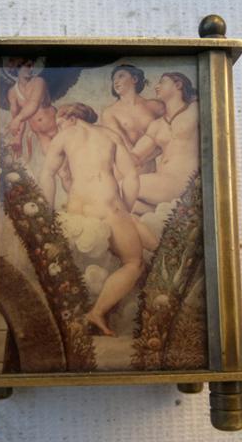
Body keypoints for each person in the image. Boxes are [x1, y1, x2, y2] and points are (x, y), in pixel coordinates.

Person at [40, 103, 152, 337]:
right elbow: (131, 177)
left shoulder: (64, 137)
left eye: (60, 122)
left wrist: (47, 215)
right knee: (134, 263)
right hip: (108, 208)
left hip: (78, 210)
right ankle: (97, 312)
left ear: (70, 117)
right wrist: (124, 210)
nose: (59, 128)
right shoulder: (110, 135)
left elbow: (47, 174)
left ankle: (81, 315)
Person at [130, 72, 200, 214]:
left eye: (162, 82)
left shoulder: (195, 110)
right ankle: (160, 213)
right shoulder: (156, 125)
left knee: (124, 188)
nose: (157, 86)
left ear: (178, 84)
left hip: (185, 182)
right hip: (163, 183)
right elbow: (135, 156)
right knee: (121, 195)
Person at [5, 58, 72, 189]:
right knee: (62, 172)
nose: (30, 69)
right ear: (17, 68)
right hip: (42, 136)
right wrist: (17, 138)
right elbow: (17, 119)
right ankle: (73, 199)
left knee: (72, 167)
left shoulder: (38, 82)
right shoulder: (12, 92)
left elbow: (33, 105)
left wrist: (17, 119)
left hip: (57, 128)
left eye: (31, 66)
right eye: (26, 66)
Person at [100, 64, 164, 175]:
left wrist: (142, 158)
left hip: (151, 170)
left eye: (121, 76)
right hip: (125, 173)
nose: (116, 82)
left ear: (134, 79)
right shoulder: (109, 112)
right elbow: (122, 144)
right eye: (113, 79)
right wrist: (137, 159)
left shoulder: (156, 106)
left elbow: (167, 139)